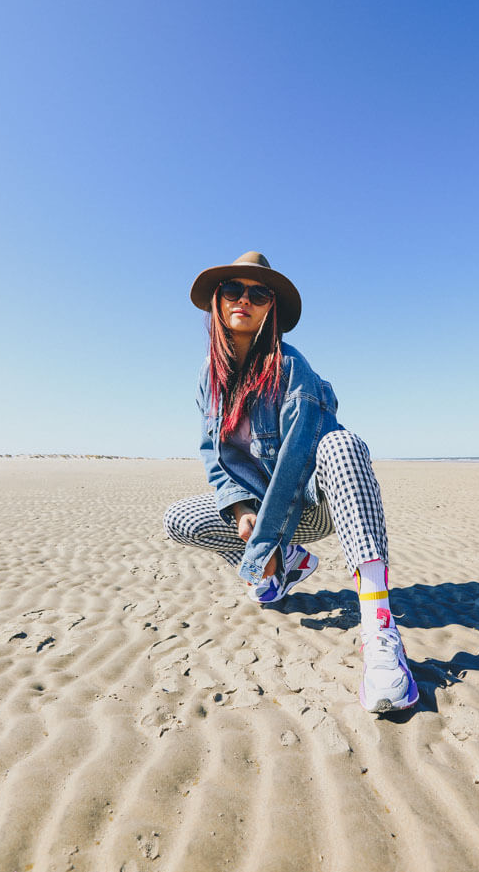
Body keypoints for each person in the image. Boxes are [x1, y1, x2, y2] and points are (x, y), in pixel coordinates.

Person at [163, 251, 418, 713]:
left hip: (310, 501)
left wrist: (262, 544)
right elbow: (214, 454)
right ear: (217, 302)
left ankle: (380, 632)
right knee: (179, 518)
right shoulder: (209, 376)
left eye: (258, 293)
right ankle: (290, 565)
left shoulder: (291, 368)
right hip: (262, 509)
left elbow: (300, 462)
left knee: (345, 445)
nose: (244, 299)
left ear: (271, 308)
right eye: (233, 290)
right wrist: (242, 511)